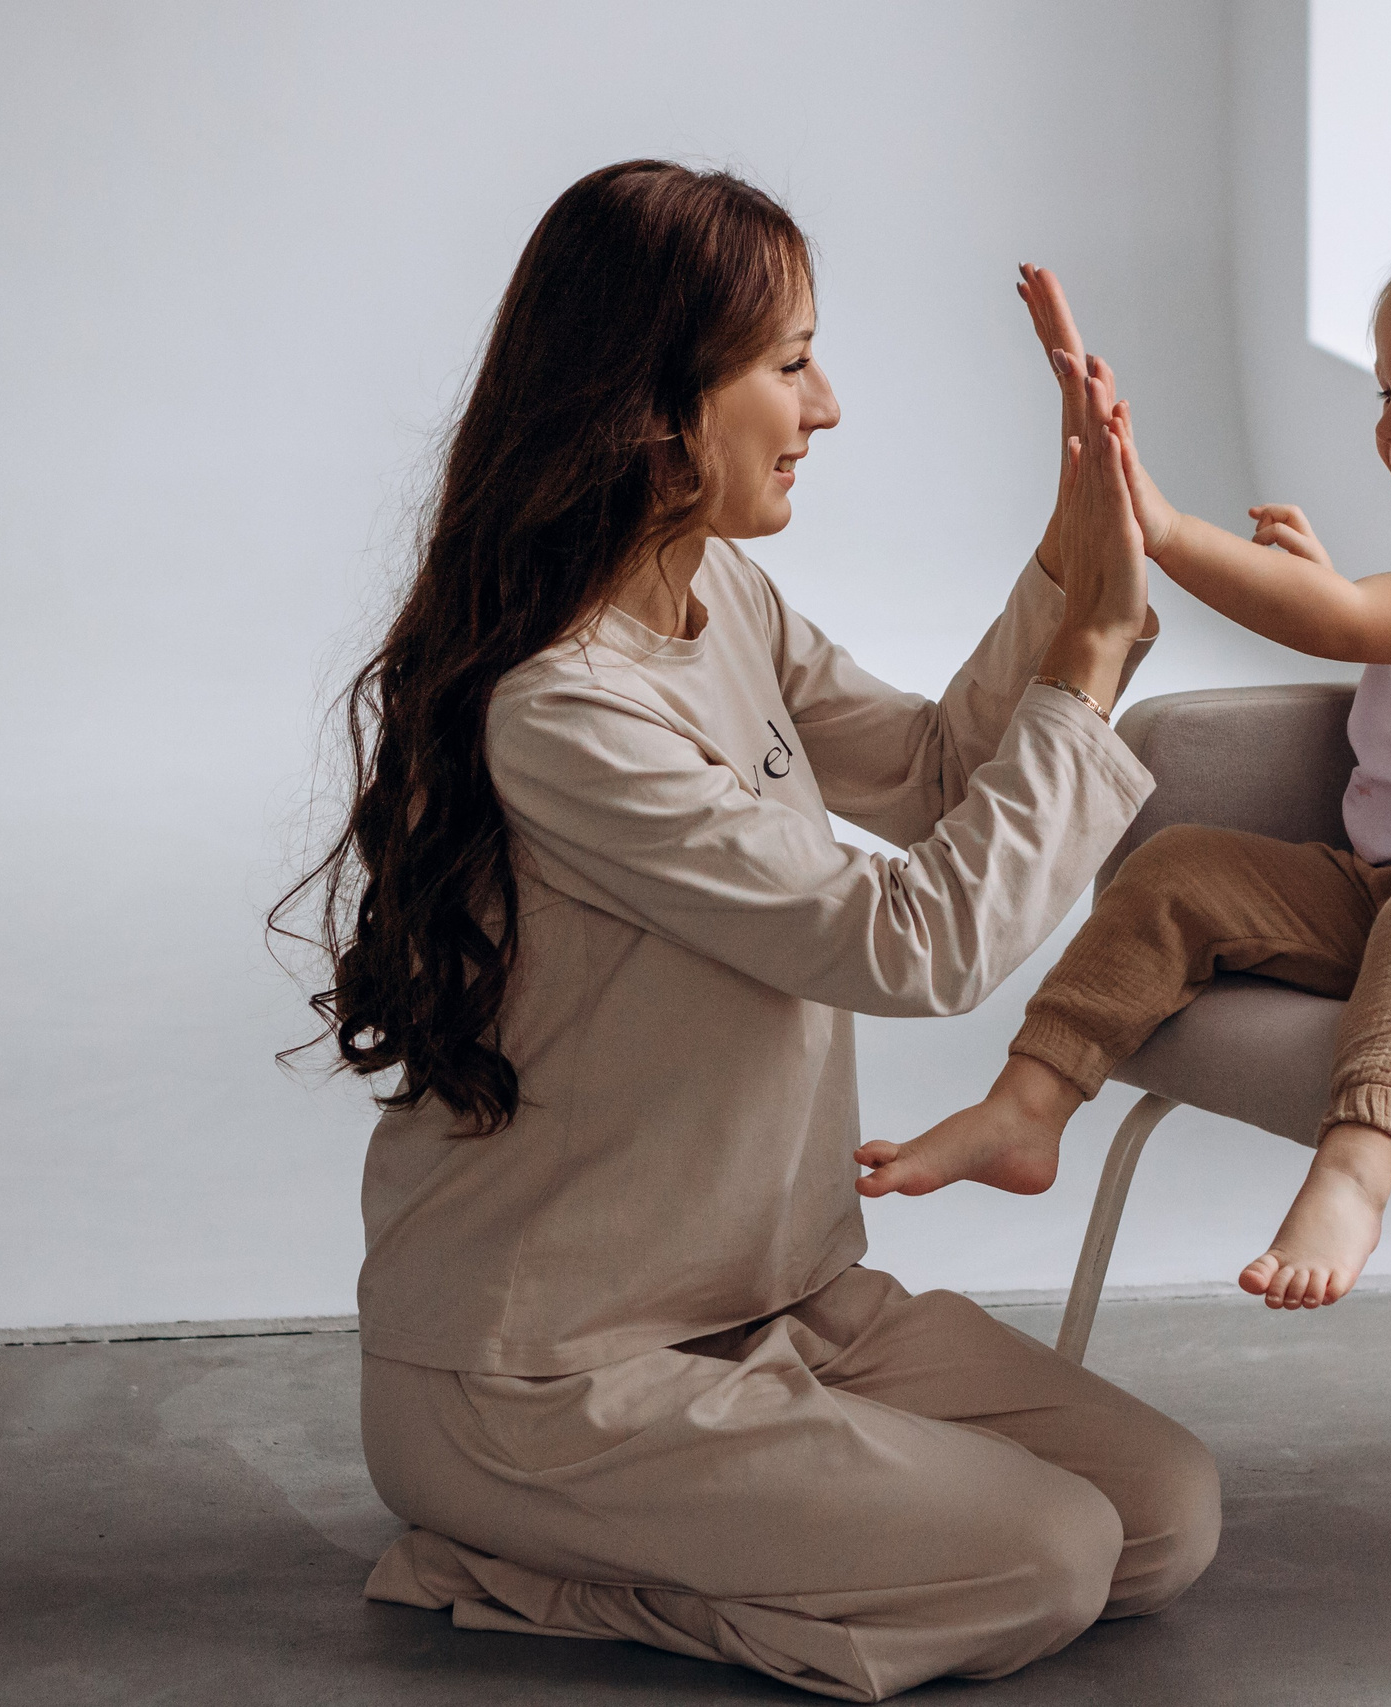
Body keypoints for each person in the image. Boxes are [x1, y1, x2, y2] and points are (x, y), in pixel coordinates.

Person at [276, 159, 1218, 1702]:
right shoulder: (562, 710)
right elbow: (920, 943)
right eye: (789, 365)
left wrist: (1067, 566)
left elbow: (925, 776)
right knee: (1045, 1557)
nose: (826, 404)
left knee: (1162, 1519)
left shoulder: (718, 591)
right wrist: (1093, 662)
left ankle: (766, 1508)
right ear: (656, 403)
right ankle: (512, 1556)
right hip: (549, 1370)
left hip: (781, 1307)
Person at [857, 195, 1391, 1312]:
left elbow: (1350, 628)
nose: (1389, 424)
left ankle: (1356, 1170)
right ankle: (1031, 1104)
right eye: (1385, 391)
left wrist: (1159, 526)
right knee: (1177, 870)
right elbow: (1381, 624)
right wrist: (1330, 582)